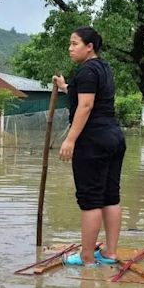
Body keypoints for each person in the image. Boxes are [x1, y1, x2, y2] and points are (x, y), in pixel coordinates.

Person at [54, 26, 126, 267]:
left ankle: (86, 258)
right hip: (114, 137)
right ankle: (110, 253)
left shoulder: (86, 71)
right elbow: (86, 95)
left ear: (89, 46)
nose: (70, 49)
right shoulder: (102, 68)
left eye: (74, 44)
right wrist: (66, 88)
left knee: (90, 199)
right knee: (110, 196)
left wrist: (70, 139)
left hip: (93, 140)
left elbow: (85, 106)